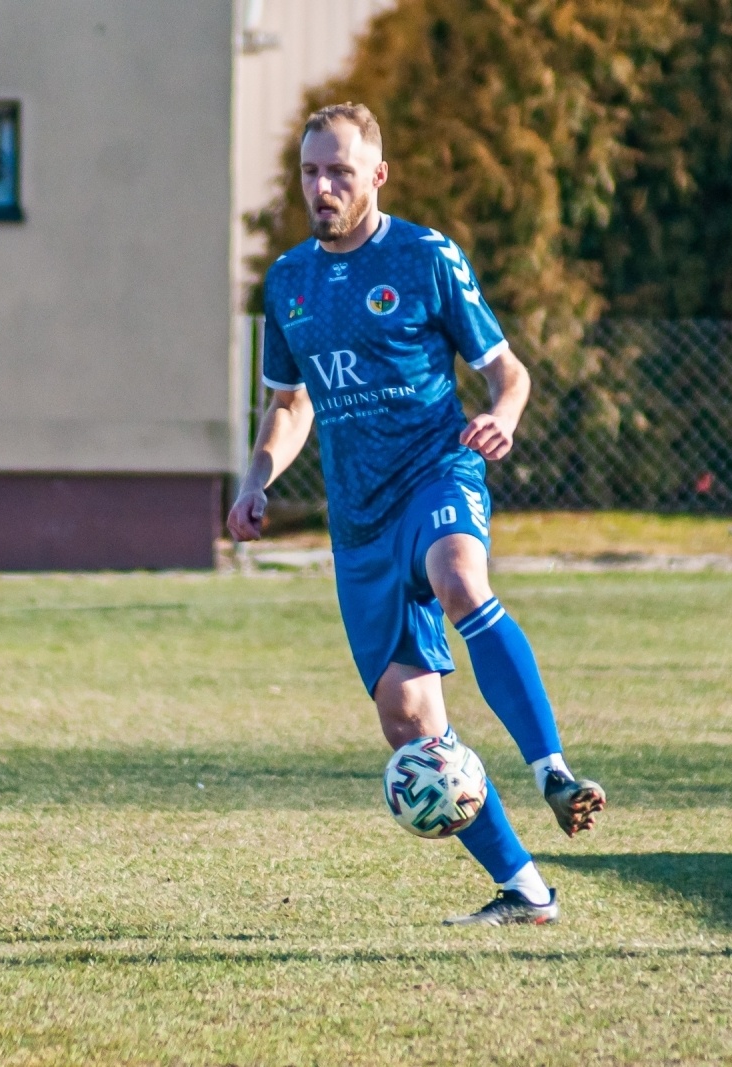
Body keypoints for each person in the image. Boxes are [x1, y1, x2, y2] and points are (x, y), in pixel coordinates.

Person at [227, 102, 605, 925]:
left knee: (460, 578)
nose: (322, 187)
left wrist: (502, 417)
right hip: (359, 523)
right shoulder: (288, 281)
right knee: (410, 724)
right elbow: (289, 405)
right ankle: (526, 890)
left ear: (378, 175)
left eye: (339, 171)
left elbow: (508, 372)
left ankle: (552, 771)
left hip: (437, 472)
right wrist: (256, 479)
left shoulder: (425, 256)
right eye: (310, 172)